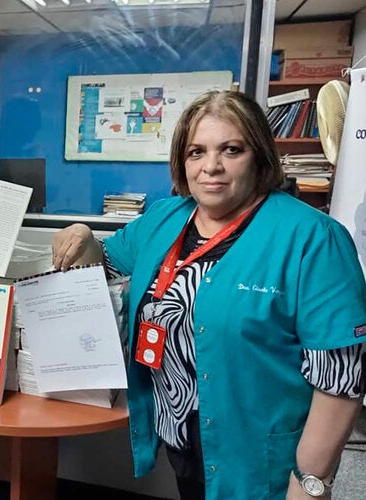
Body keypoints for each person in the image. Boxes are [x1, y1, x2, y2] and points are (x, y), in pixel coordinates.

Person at [52, 90, 366, 499]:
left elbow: (340, 380)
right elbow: (105, 262)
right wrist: (83, 235)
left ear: (259, 155)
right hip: (182, 435)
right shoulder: (165, 219)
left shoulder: (313, 239)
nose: (211, 167)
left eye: (231, 150)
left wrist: (311, 482)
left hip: (260, 456)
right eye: (196, 152)